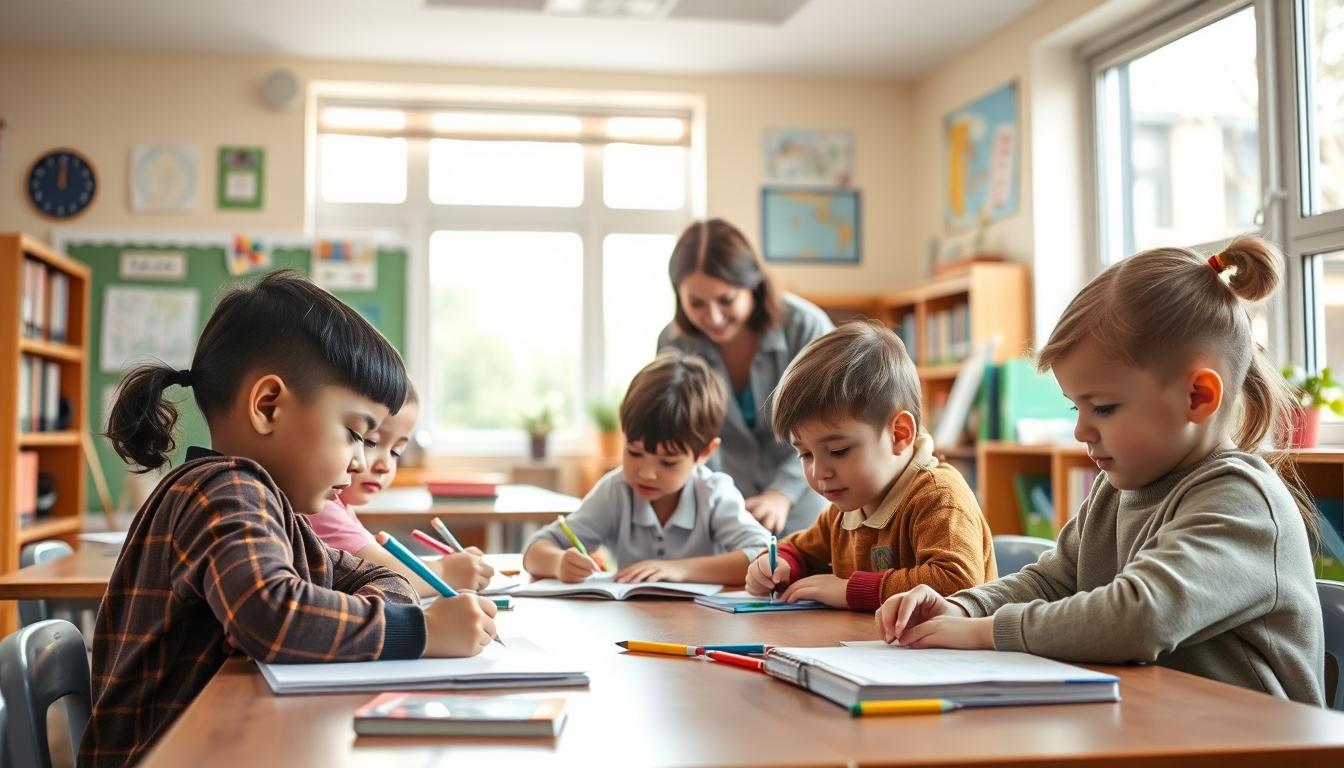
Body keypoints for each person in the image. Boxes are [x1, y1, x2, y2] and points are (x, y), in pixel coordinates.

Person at [876, 237, 1325, 706]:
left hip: (1257, 746)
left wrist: (985, 632)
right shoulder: (1119, 487)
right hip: (1150, 729)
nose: (1081, 431)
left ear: (1198, 397)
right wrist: (962, 606)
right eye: (1076, 407)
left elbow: (1141, 615)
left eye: (1104, 408)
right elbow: (1052, 581)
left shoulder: (1242, 500)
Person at [80, 271, 498, 767]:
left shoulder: (274, 508)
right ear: (268, 405)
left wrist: (386, 608)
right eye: (355, 434)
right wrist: (420, 630)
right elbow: (271, 613)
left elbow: (372, 573)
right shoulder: (224, 491)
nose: (362, 462)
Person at [744, 321, 995, 610]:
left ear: (899, 434)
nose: (818, 472)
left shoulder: (939, 496)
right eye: (805, 454)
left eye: (838, 451)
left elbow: (958, 582)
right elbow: (800, 550)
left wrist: (851, 590)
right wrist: (776, 565)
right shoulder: (844, 511)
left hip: (950, 654)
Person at [524, 350, 770, 584]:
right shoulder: (616, 491)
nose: (646, 473)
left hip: (702, 625)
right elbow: (536, 550)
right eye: (634, 452)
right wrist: (558, 563)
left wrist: (678, 569)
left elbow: (763, 556)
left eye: (668, 461)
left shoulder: (713, 493)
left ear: (704, 453)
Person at [658, 218, 833, 534]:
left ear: (753, 285)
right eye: (696, 303)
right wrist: (716, 501)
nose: (712, 317)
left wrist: (782, 494)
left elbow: (832, 424)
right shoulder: (674, 343)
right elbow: (685, 434)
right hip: (723, 508)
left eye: (726, 300)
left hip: (808, 499)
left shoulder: (806, 327)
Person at [307, 381, 496, 595]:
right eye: (371, 442)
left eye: (396, 452)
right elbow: (385, 575)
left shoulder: (340, 507)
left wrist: (449, 565)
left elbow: (386, 563)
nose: (385, 465)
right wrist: (445, 572)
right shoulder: (320, 509)